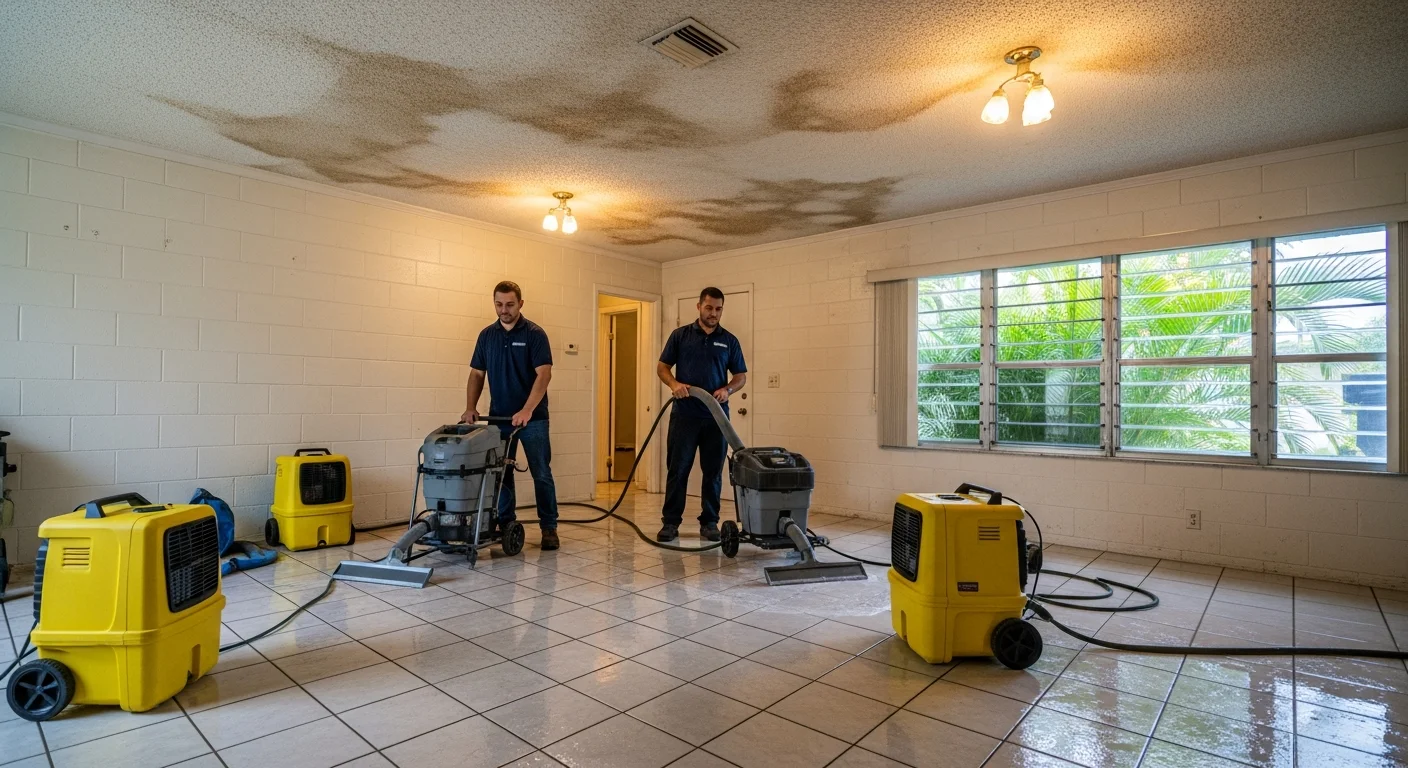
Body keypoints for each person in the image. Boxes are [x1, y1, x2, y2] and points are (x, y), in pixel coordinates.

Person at [462, 281, 559, 551]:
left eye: (510, 304)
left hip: (533, 419)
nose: (504, 310)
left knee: (541, 473)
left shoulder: (534, 334)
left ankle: (549, 527)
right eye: (499, 304)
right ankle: (506, 523)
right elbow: (477, 374)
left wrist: (527, 409)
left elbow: (544, 374)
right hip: (500, 419)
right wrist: (471, 407)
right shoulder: (487, 336)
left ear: (521, 304)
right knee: (501, 473)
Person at [656, 287, 747, 542]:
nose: (713, 313)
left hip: (716, 418)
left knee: (713, 472)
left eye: (718, 309)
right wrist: (674, 385)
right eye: (709, 308)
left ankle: (709, 523)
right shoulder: (680, 336)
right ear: (699, 307)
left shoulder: (729, 340)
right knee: (678, 470)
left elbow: (740, 377)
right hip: (684, 415)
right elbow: (662, 367)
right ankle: (671, 523)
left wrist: (728, 389)